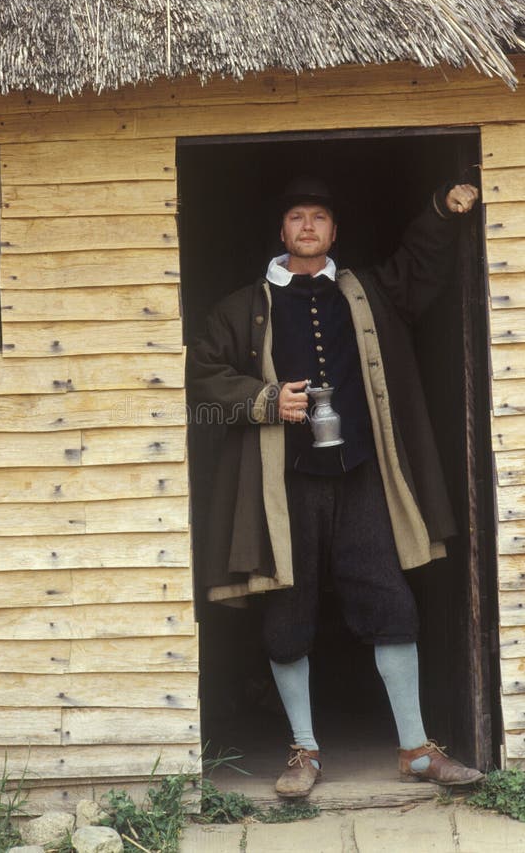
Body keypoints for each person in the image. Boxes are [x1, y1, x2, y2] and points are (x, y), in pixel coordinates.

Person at [187, 175, 483, 797]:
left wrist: (439, 209)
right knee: (287, 614)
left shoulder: (369, 291)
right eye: (296, 216)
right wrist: (266, 400)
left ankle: (416, 750)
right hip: (283, 486)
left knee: (390, 603)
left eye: (318, 216)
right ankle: (304, 751)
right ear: (282, 231)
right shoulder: (242, 307)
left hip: (360, 478)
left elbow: (419, 265)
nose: (307, 226)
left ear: (334, 230)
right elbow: (204, 374)